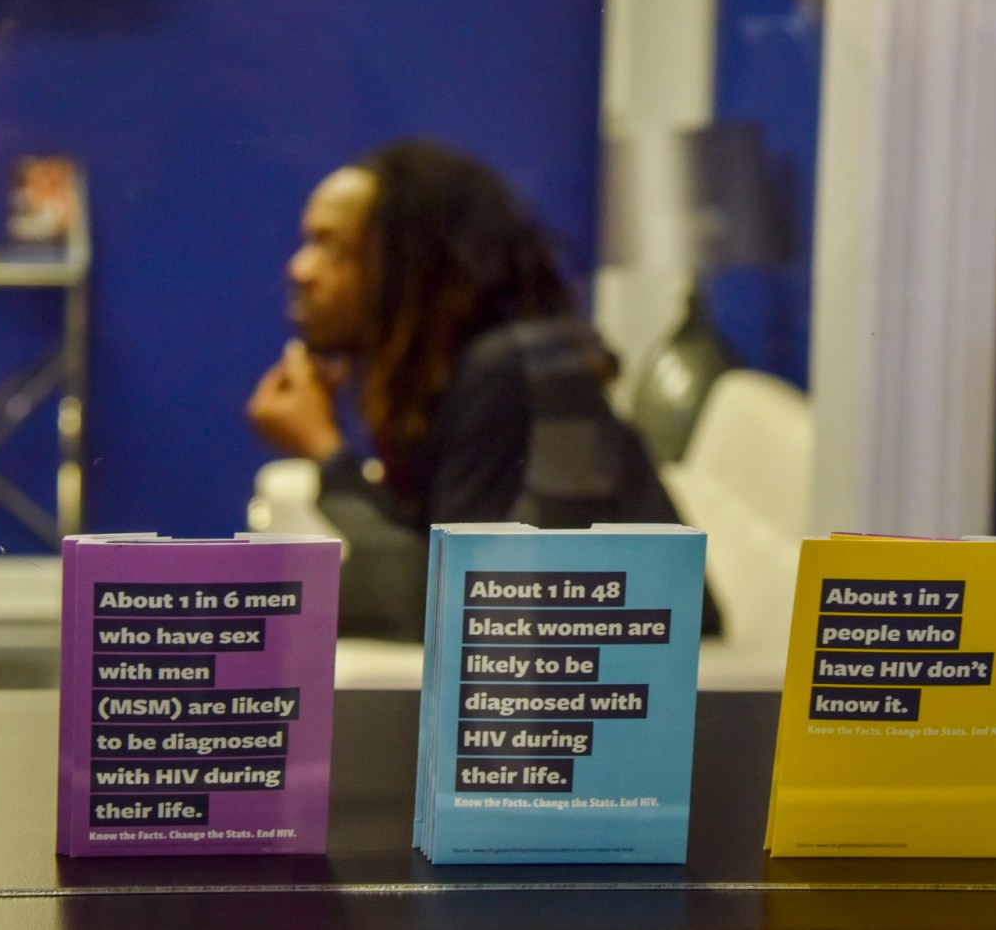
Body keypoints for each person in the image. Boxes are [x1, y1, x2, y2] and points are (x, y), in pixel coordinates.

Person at [247, 140, 717, 639]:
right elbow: (440, 562)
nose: (299, 269)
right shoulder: (471, 368)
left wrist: (323, 449)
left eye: (333, 247)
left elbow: (449, 610)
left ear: (414, 265)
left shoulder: (507, 373)